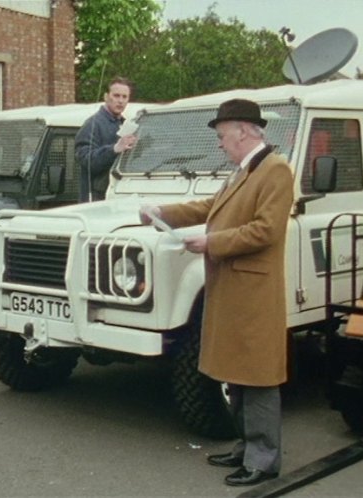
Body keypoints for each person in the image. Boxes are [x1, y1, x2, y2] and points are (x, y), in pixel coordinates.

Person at [140, 99, 294, 487]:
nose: (221, 144)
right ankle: (247, 447)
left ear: (243, 131)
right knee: (237, 372)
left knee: (257, 377)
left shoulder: (275, 170)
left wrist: (211, 242)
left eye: (223, 136)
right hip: (234, 287)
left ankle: (264, 459)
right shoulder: (245, 170)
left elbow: (267, 230)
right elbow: (212, 206)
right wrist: (163, 212)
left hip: (252, 291)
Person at [75, 77, 137, 202]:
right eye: (116, 95)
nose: (120, 101)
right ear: (106, 97)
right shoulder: (92, 124)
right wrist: (114, 149)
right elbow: (84, 159)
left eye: (124, 97)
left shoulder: (127, 124)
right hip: (96, 200)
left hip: (118, 196)